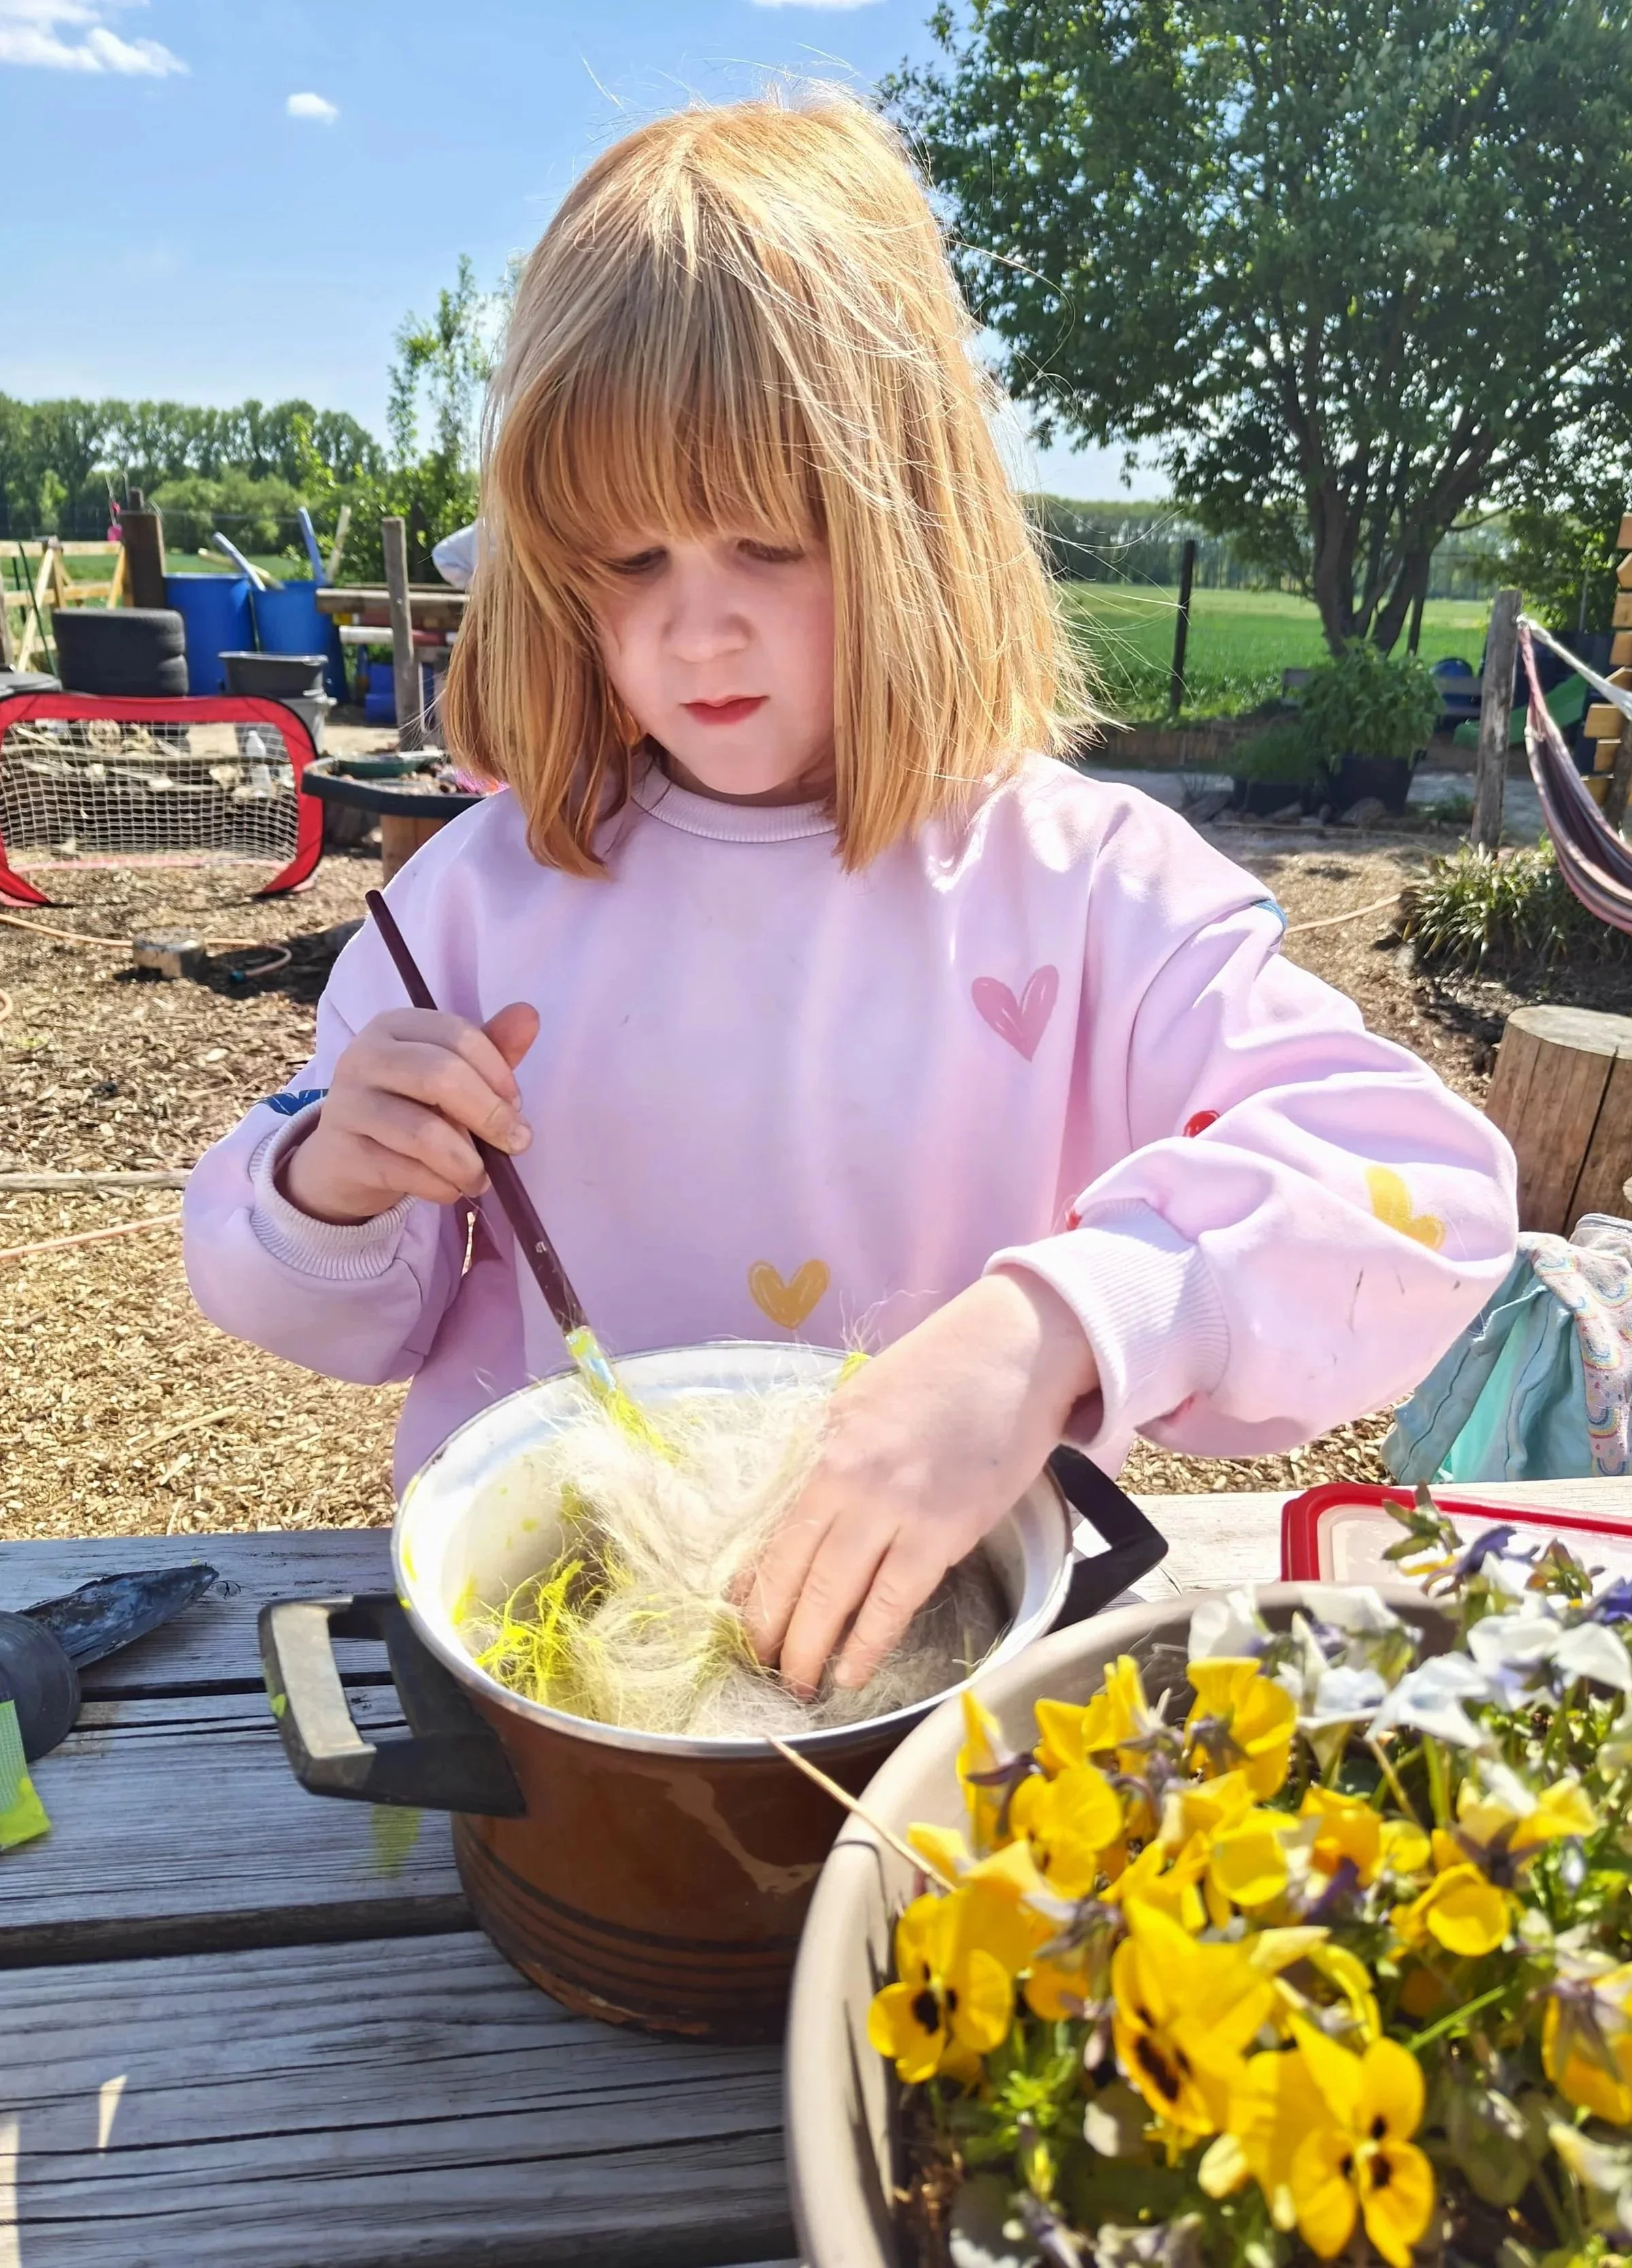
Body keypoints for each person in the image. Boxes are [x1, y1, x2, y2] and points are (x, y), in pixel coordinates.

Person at [183, 95, 1517, 1699]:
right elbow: (348, 1317)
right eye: (627, 561)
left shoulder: (1081, 887)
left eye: (767, 540)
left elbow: (1422, 1195)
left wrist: (1054, 1330)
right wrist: (333, 1183)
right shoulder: (475, 901)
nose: (696, 634)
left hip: (945, 1667)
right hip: (557, 1682)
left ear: (918, 527)